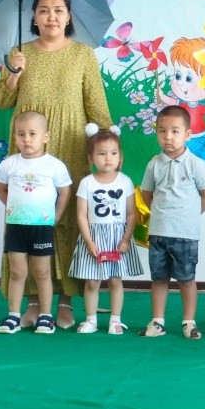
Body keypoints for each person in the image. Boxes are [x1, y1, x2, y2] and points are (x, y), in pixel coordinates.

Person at [0, 0, 112, 330]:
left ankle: (66, 302)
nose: (51, 16)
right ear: (33, 16)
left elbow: (96, 103)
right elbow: (0, 101)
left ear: (69, 16)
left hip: (71, 144)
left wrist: (105, 144)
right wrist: (14, 73)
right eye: (43, 10)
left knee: (68, 218)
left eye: (58, 9)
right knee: (29, 218)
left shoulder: (83, 54)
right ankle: (32, 302)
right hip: (28, 146)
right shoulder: (19, 53)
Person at [139, 105, 205, 339]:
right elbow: (146, 193)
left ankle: (189, 322)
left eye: (174, 131)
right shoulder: (154, 164)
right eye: (162, 131)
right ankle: (157, 322)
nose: (168, 137)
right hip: (159, 232)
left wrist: (191, 214)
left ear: (187, 134)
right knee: (159, 279)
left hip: (185, 234)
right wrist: (161, 214)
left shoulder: (197, 164)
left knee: (186, 279)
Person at [0, 111, 71, 335]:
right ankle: (13, 316)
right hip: (16, 227)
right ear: (15, 137)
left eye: (32, 134)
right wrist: (15, 208)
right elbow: (1, 189)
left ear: (45, 137)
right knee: (18, 272)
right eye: (21, 134)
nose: (26, 139)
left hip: (41, 228)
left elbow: (64, 192)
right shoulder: (9, 164)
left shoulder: (54, 166)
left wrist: (56, 216)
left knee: (42, 272)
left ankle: (46, 316)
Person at [69, 126, 144, 335]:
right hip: (93, 238)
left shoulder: (125, 181)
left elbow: (131, 214)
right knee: (92, 281)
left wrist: (126, 239)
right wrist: (89, 241)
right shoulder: (86, 183)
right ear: (91, 158)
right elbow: (81, 215)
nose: (108, 158)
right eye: (101, 154)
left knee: (115, 280)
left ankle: (115, 320)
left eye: (113, 153)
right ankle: (91, 320)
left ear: (120, 158)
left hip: (117, 238)